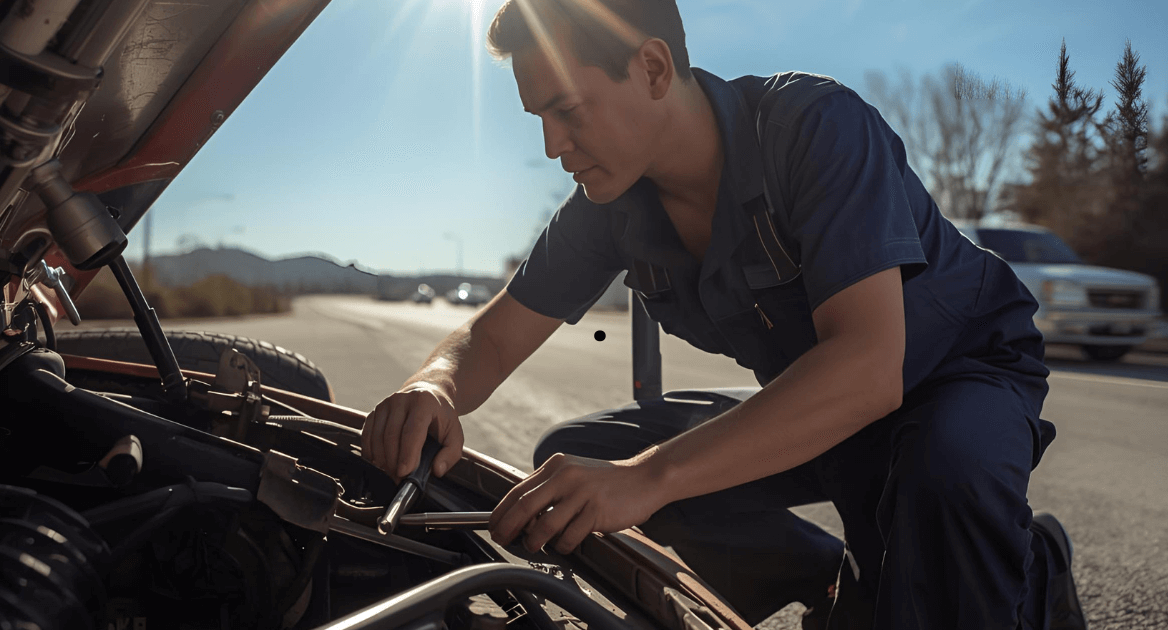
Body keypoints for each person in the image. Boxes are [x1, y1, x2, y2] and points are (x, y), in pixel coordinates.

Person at [360, 0, 1088, 628]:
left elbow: (868, 369)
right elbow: (491, 337)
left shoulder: (813, 126)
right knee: (579, 465)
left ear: (651, 69)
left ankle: (1034, 569)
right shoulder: (609, 207)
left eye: (567, 111)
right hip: (821, 404)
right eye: (538, 118)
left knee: (948, 478)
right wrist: (435, 386)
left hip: (953, 375)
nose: (552, 146)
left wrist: (652, 477)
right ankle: (824, 582)